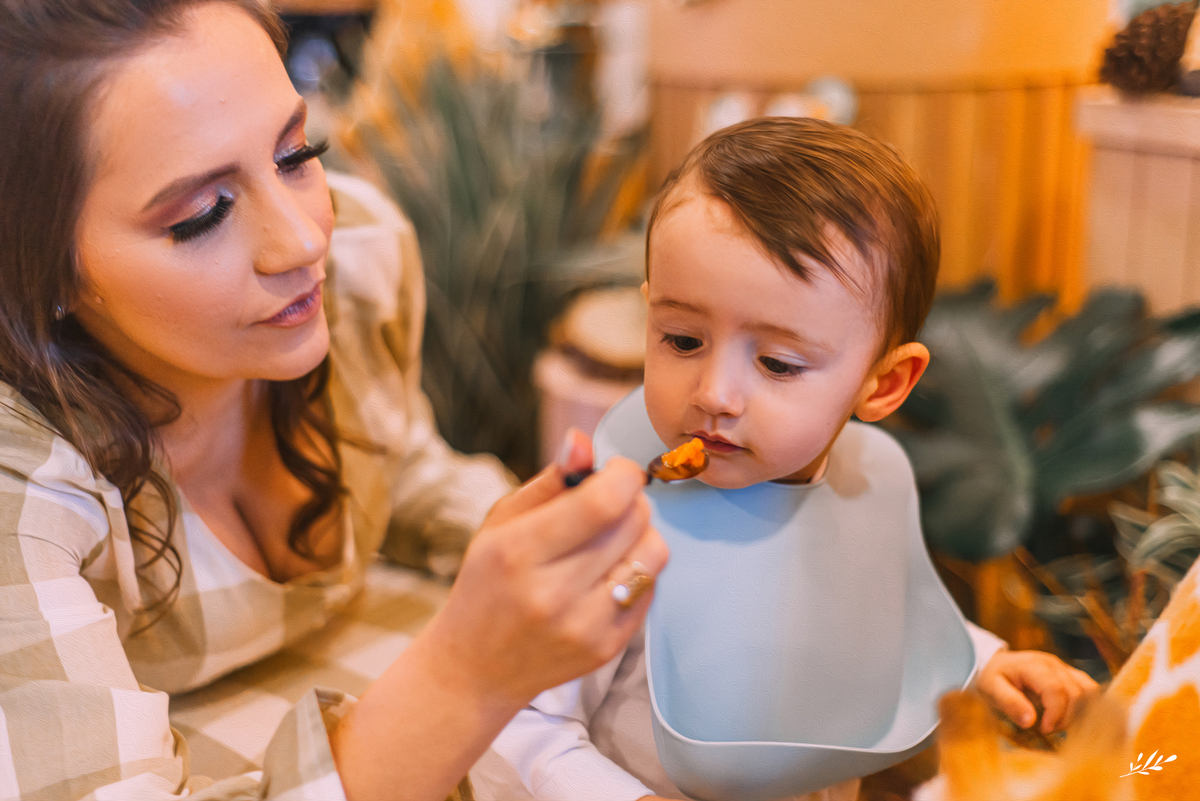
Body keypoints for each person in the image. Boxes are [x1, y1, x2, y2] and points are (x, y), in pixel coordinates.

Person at [0, 2, 668, 800]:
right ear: (42, 270)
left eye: (297, 153)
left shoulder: (360, 259)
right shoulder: (19, 475)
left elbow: (396, 463)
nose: (304, 239)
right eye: (203, 215)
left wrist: (545, 542)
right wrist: (463, 673)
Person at [472, 118, 1100, 801]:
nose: (714, 393)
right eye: (681, 340)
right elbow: (521, 721)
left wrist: (981, 663)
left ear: (883, 384)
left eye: (777, 362)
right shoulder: (614, 520)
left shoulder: (866, 485)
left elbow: (884, 615)